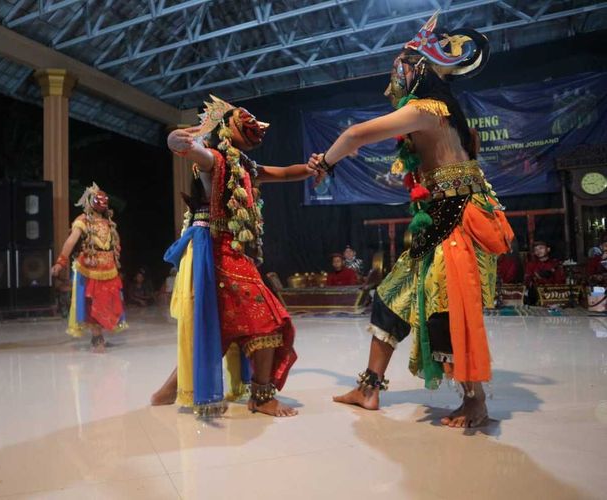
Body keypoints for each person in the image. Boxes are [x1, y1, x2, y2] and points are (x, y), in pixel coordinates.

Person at [309, 12, 513, 427]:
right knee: (389, 299)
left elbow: (354, 136)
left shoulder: (425, 108)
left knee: (446, 306)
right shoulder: (439, 112)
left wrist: (324, 164)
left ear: (416, 69)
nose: (393, 75)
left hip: (456, 216)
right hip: (439, 213)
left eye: (399, 66)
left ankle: (475, 400)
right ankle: (369, 389)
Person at [151, 95, 324, 417]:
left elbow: (286, 173)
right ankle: (260, 396)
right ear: (225, 127)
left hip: (236, 254)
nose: (254, 125)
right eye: (243, 119)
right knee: (267, 321)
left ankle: (169, 390)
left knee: (223, 329)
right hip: (217, 252)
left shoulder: (245, 166)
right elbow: (192, 151)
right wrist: (177, 141)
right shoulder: (215, 159)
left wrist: (316, 165)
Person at [51, 183, 127, 353]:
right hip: (91, 268)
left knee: (107, 303)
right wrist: (60, 262)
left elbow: (115, 243)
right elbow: (71, 241)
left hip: (109, 268)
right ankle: (96, 336)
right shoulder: (82, 221)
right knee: (93, 303)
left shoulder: (109, 223)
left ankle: (99, 334)